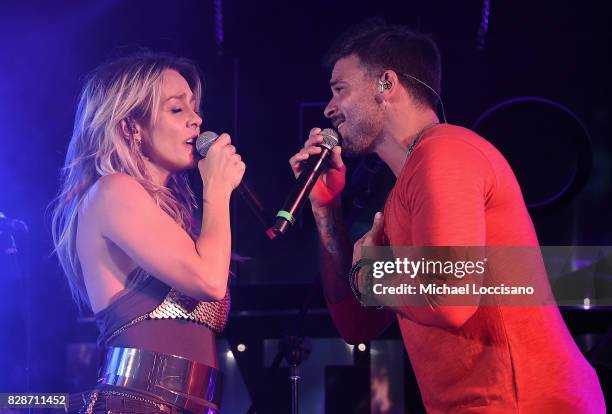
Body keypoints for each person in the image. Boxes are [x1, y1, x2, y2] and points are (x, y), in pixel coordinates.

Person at [289, 20, 605, 413]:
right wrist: (326, 209)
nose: (329, 108)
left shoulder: (446, 155)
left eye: (340, 90)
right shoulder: (402, 193)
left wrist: (370, 274)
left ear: (386, 84)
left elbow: (450, 297)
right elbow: (356, 324)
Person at [52, 51, 244, 413]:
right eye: (177, 109)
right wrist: (217, 190)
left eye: (194, 106)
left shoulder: (173, 216)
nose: (196, 119)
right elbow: (209, 280)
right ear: (131, 127)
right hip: (139, 401)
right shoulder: (112, 190)